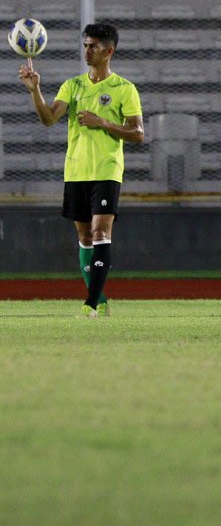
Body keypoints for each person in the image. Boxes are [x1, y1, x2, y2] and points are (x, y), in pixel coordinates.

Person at [19, 23, 144, 317]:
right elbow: (49, 119)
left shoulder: (124, 89)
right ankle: (99, 300)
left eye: (93, 46)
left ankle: (89, 304)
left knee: (101, 231)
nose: (87, 51)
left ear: (109, 51)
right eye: (85, 45)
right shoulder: (72, 86)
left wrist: (104, 123)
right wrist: (35, 90)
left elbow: (137, 133)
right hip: (76, 172)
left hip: (106, 171)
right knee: (85, 237)